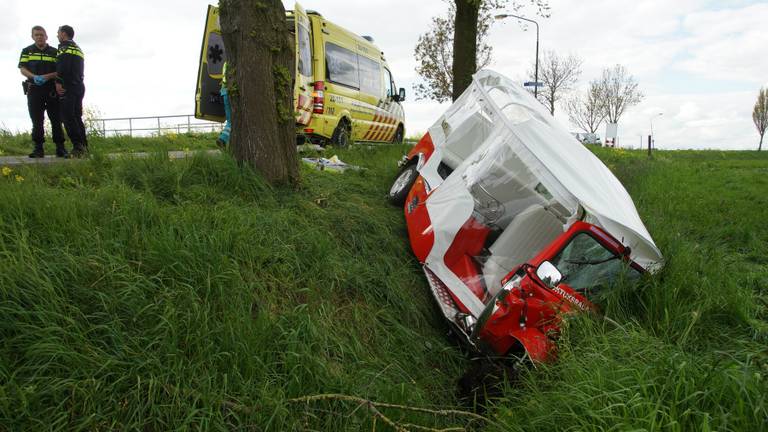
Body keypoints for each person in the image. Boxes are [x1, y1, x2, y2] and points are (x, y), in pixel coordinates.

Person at [18, 25, 66, 158]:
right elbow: (22, 68)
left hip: (52, 90)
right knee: (37, 120)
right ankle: (38, 148)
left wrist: (47, 77)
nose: (39, 37)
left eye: (42, 35)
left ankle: (60, 148)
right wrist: (34, 77)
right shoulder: (27, 51)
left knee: (56, 119)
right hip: (34, 90)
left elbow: (60, 70)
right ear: (32, 37)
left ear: (46, 36)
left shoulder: (55, 52)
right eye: (36, 35)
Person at [55, 25, 87, 157]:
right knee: (76, 116)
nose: (57, 36)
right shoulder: (77, 48)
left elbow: (63, 66)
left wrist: (59, 82)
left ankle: (77, 148)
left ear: (63, 34)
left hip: (68, 86)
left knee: (67, 117)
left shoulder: (64, 47)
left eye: (58, 33)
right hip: (79, 85)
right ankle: (84, 146)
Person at [216, 62, 231, 148]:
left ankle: (224, 141)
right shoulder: (230, 62)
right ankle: (222, 139)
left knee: (230, 120)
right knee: (231, 121)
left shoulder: (225, 63)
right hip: (228, 92)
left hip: (224, 92)